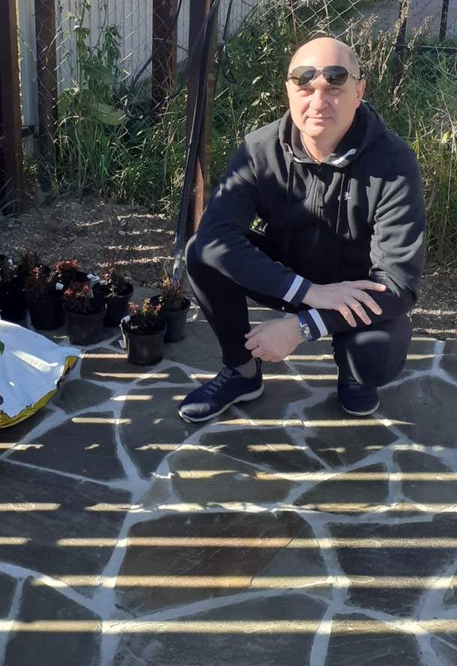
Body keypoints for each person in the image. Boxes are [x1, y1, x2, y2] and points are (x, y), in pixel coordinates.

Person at [178, 35, 425, 424]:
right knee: (201, 252)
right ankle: (241, 371)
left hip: (354, 290)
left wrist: (303, 326)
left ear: (359, 92)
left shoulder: (394, 163)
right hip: (290, 274)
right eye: (305, 86)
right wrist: (305, 292)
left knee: (374, 354)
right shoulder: (260, 149)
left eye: (335, 85)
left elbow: (398, 284)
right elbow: (215, 237)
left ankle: (354, 372)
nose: (319, 100)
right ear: (289, 91)